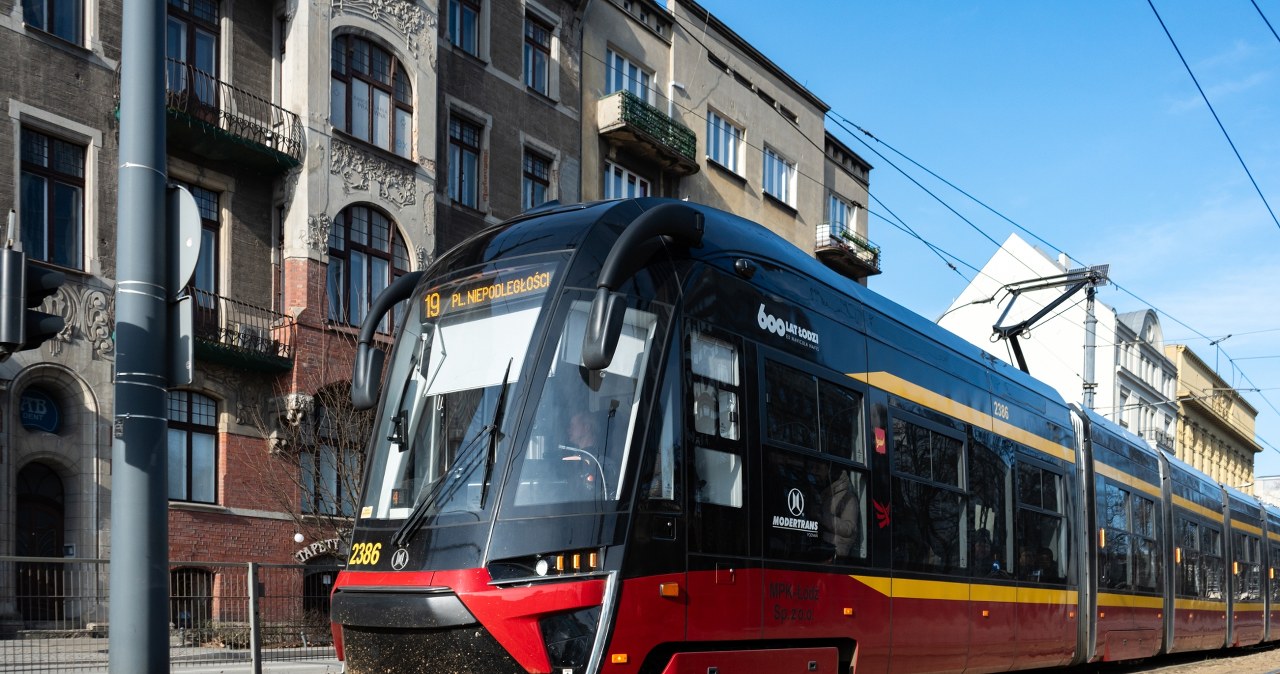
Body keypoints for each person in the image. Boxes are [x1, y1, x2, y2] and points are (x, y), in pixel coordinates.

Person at [819, 467, 860, 562]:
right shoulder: (825, 494)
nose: (814, 472)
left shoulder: (848, 497)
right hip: (822, 549)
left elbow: (849, 528)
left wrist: (822, 516)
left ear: (830, 472)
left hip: (836, 554)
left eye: (818, 468)